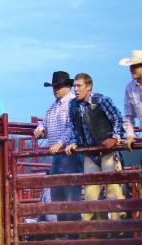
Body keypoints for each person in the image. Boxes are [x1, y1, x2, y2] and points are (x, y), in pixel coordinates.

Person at [58, 73, 125, 221]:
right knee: (90, 190)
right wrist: (75, 141)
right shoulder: (73, 105)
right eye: (74, 86)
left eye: (79, 86)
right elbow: (74, 126)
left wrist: (115, 137)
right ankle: (93, 226)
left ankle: (116, 224)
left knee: (112, 187)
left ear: (88, 87)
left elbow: (117, 118)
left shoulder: (101, 100)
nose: (75, 89)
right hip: (90, 152)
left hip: (107, 151)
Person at [34, 71, 82, 221]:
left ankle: (71, 233)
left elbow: (73, 127)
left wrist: (59, 143)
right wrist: (40, 129)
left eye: (59, 86)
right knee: (57, 194)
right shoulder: (53, 107)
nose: (55, 89)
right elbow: (44, 123)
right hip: (57, 156)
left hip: (70, 155)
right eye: (54, 86)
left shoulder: (74, 103)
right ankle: (63, 231)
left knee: (70, 194)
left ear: (68, 86)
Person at [119, 50, 142, 151]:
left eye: (135, 66)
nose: (132, 69)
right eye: (131, 66)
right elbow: (128, 116)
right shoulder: (130, 87)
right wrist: (130, 135)